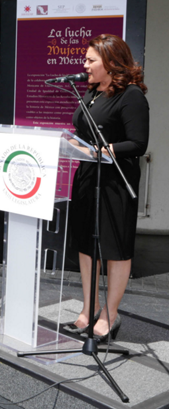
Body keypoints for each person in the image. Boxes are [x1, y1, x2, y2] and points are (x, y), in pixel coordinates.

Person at [65, 34, 149, 342]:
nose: (84, 65)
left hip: (115, 182)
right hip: (88, 177)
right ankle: (89, 310)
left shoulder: (131, 96)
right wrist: (69, 142)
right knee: (87, 246)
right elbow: (82, 131)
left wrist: (106, 150)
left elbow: (138, 143)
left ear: (112, 63)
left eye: (90, 60)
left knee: (115, 249)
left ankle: (110, 315)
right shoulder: (92, 93)